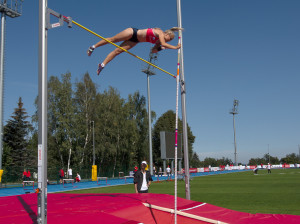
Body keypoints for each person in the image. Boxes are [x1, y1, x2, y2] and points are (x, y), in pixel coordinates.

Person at [87, 27, 183, 75]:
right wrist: (175, 47)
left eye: (169, 41)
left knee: (117, 51)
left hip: (135, 41)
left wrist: (161, 48)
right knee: (113, 40)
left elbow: (153, 51)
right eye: (168, 39)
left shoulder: (160, 42)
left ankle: (102, 65)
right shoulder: (160, 32)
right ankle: (93, 46)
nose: (167, 41)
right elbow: (164, 43)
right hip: (132, 32)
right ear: (167, 34)